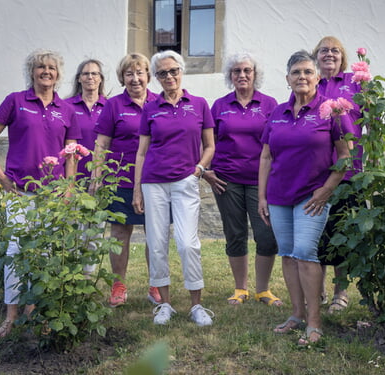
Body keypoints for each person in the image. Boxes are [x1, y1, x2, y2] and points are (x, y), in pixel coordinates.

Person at [0, 49, 81, 338]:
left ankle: (34, 312)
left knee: (46, 252)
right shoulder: (16, 101)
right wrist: (1, 177)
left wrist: (69, 187)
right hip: (20, 192)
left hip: (53, 195)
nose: (46, 71)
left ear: (58, 74)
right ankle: (11, 316)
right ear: (32, 72)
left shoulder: (67, 109)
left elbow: (71, 153)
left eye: (51, 67)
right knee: (16, 250)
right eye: (40, 67)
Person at [258, 50, 354, 345]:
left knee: (305, 252)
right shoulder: (277, 112)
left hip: (312, 196)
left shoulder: (331, 110)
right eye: (296, 72)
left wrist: (327, 189)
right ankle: (297, 314)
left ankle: (314, 322)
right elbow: (265, 156)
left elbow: (345, 157)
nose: (302, 77)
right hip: (278, 196)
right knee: (287, 253)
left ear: (317, 77)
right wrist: (261, 196)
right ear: (287, 79)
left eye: (307, 72)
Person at [133, 50, 216, 326]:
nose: (169, 76)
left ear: (181, 71)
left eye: (173, 71)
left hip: (185, 181)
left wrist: (199, 169)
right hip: (154, 182)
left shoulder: (200, 104)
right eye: (162, 73)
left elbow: (210, 146)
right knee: (156, 244)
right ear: (156, 78)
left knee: (187, 243)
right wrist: (137, 189)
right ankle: (165, 304)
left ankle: (197, 305)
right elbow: (142, 152)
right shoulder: (150, 107)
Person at [204, 52, 281, 307]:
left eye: (247, 70)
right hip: (227, 180)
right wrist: (206, 171)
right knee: (235, 234)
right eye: (237, 71)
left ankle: (262, 290)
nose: (242, 75)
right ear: (230, 76)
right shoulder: (219, 105)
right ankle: (240, 289)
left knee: (266, 235)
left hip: (262, 182)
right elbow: (206, 141)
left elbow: (278, 143)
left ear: (255, 74)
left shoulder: (270, 105)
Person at [91, 53, 161, 307]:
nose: (135, 79)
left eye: (140, 72)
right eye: (129, 74)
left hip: (154, 180)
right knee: (120, 233)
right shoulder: (113, 105)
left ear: (148, 76)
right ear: (122, 77)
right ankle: (118, 286)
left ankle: (156, 284)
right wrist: (96, 176)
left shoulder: (159, 102)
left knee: (155, 235)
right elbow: (101, 143)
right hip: (120, 180)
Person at [313, 36, 363, 313]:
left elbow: (373, 121)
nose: (329, 55)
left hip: (349, 171)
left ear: (342, 57)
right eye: (323, 51)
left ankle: (340, 292)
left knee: (344, 234)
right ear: (316, 57)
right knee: (316, 235)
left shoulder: (356, 84)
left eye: (335, 51)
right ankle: (317, 291)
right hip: (316, 173)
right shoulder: (310, 83)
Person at [66, 59, 108, 275]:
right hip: (72, 178)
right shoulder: (67, 106)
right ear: (79, 78)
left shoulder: (109, 106)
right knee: (72, 233)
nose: (90, 77)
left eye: (95, 73)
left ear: (101, 78)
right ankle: (69, 279)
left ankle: (86, 280)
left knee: (93, 233)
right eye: (86, 74)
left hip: (98, 180)